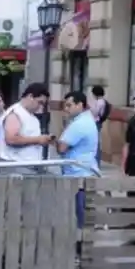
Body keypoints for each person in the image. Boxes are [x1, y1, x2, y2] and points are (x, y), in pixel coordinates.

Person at [56, 91, 100, 228]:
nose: (66, 109)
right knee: (82, 215)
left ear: (80, 105)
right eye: (65, 105)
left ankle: (82, 244)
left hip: (79, 175)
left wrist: (53, 141)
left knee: (81, 216)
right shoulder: (84, 120)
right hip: (82, 172)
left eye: (69, 105)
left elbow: (61, 148)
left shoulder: (80, 124)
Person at [0, 82, 54, 171]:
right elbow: (11, 139)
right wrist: (38, 140)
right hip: (17, 166)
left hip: (26, 165)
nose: (41, 106)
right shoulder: (16, 113)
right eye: (40, 102)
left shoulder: (29, 115)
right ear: (31, 96)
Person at [89, 85, 111, 167]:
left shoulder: (99, 102)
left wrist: (90, 109)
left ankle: (96, 162)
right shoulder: (102, 101)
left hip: (96, 122)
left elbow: (95, 113)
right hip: (98, 122)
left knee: (95, 143)